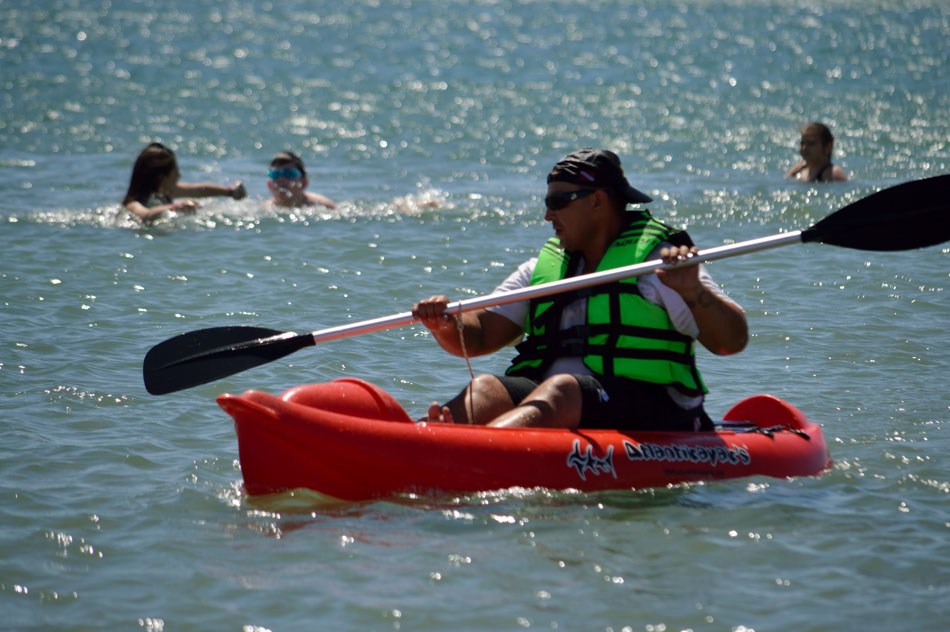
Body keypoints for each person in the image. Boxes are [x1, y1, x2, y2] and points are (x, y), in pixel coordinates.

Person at [412, 149, 748, 432]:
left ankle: (473, 450)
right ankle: (424, 440)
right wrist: (447, 325)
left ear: (598, 201)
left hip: (653, 403)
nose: (547, 215)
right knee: (484, 387)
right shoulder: (541, 270)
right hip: (560, 399)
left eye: (558, 201)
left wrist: (693, 292)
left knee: (563, 389)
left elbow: (730, 341)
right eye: (547, 202)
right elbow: (481, 335)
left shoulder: (657, 267)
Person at [122, 142, 247, 222]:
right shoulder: (133, 204)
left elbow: (199, 190)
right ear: (162, 178)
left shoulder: (166, 192)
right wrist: (176, 207)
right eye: (175, 172)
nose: (179, 175)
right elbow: (146, 215)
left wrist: (231, 192)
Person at [266, 151, 336, 209]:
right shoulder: (265, 209)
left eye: (289, 174)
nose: (281, 179)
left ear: (304, 182)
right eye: (275, 174)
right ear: (269, 184)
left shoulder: (325, 207)